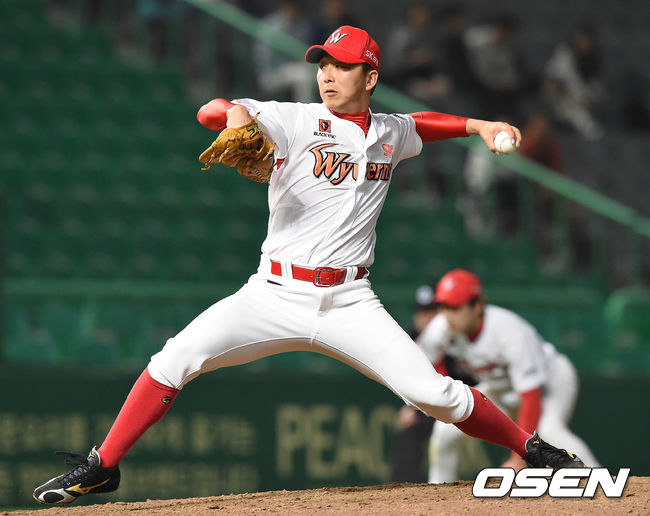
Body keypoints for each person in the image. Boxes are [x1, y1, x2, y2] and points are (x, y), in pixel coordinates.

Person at [33, 25, 584, 505]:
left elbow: (420, 123)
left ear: (370, 76)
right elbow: (209, 111)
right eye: (322, 64)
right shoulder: (292, 119)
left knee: (435, 394)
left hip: (350, 302)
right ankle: (104, 465)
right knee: (176, 357)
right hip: (272, 294)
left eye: (341, 66)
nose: (327, 74)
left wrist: (478, 126)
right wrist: (237, 114)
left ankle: (531, 448)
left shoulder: (389, 133)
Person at [416, 269, 600, 483]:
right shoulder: (441, 328)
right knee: (445, 431)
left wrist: (518, 458)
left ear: (477, 306)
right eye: (443, 306)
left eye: (455, 307)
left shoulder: (508, 331)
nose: (448, 314)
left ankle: (599, 480)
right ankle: (438, 489)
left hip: (550, 382)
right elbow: (428, 358)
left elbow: (530, 397)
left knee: (549, 431)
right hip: (501, 387)